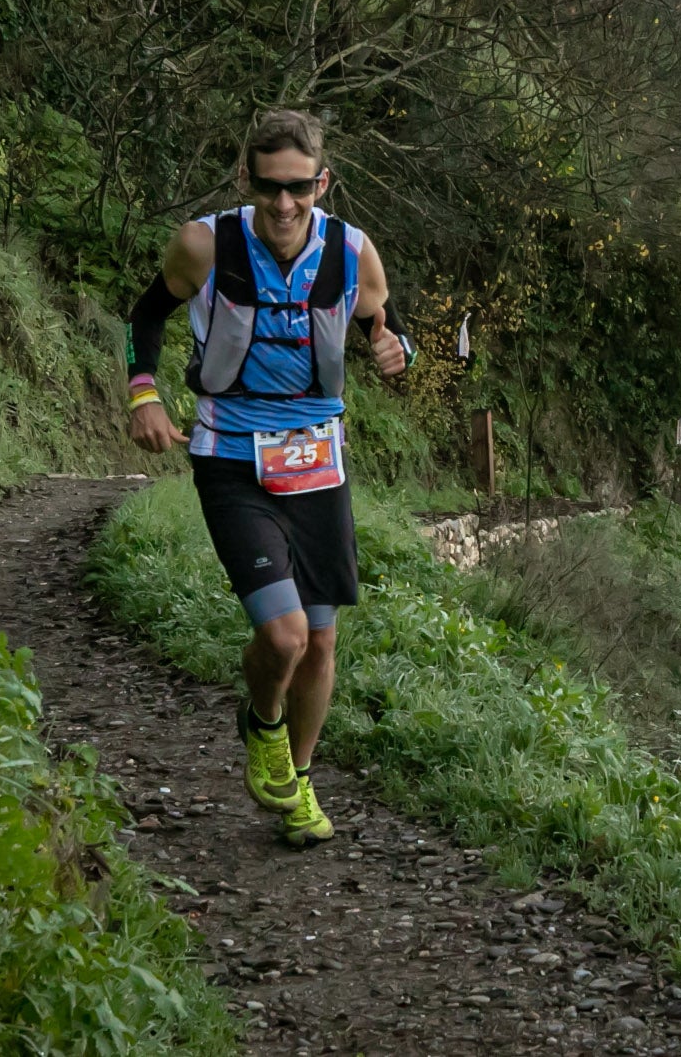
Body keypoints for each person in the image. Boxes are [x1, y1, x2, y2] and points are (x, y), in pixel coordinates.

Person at [123, 109, 409, 847]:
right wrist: (145, 392)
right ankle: (263, 723)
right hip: (231, 456)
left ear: (322, 182)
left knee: (320, 640)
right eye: (267, 186)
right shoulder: (205, 243)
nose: (283, 204)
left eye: (298, 189)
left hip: (318, 459)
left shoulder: (353, 252)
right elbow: (146, 312)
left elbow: (382, 319)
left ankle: (298, 778)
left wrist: (395, 344)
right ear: (246, 178)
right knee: (282, 638)